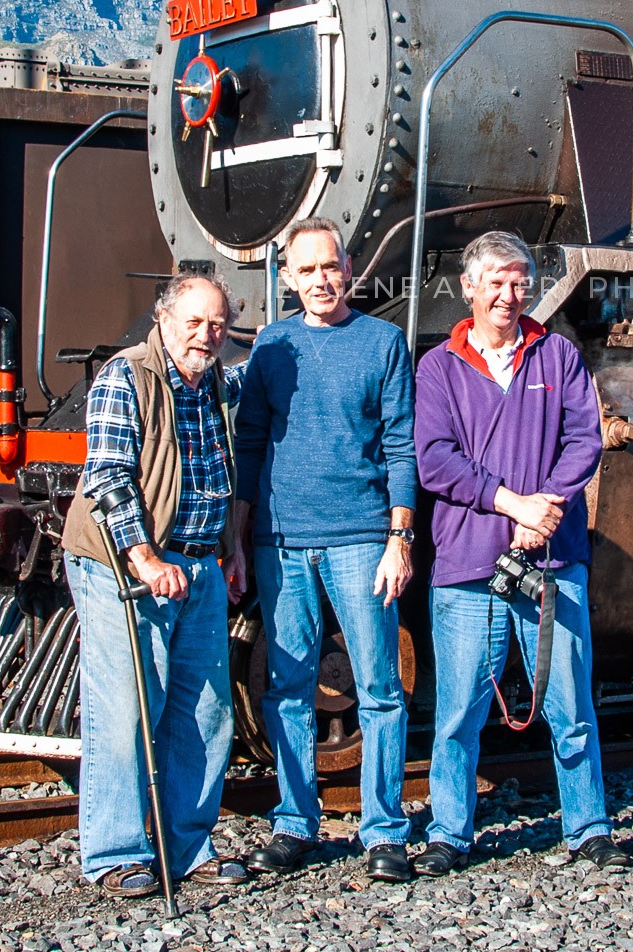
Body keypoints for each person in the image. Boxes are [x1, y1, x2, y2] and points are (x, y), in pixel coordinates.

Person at [411, 230, 631, 875]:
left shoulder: (557, 355)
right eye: (496, 283)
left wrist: (547, 510)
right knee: (459, 712)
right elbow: (435, 460)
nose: (508, 296)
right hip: (466, 564)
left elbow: (584, 440)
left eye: (519, 283)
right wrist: (514, 505)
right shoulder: (438, 367)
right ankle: (450, 833)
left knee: (570, 705)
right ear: (469, 288)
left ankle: (588, 828)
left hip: (551, 561)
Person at [232, 217, 420, 883]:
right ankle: (294, 823)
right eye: (306, 269)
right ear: (287, 278)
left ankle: (384, 832)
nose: (320, 279)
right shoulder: (272, 345)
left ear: (350, 269)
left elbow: (401, 445)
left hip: (362, 538)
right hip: (281, 540)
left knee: (379, 687)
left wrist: (400, 538)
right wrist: (239, 537)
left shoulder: (382, 342)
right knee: (288, 688)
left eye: (329, 266)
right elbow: (250, 442)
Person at [61, 271, 249, 896]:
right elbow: (108, 476)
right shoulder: (127, 376)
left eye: (217, 324)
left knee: (206, 711)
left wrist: (230, 549)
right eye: (193, 322)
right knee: (126, 709)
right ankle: (115, 853)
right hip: (126, 564)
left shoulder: (215, 381)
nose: (206, 335)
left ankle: (187, 845)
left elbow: (219, 473)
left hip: (198, 565)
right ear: (163, 321)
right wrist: (144, 558)